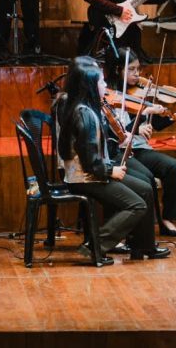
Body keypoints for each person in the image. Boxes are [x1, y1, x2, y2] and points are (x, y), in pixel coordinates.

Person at [56, 56, 168, 264]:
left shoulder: (82, 106)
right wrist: (110, 171)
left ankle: (142, 246)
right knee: (136, 205)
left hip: (90, 172)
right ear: (89, 85)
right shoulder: (85, 114)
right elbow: (90, 162)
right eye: (101, 82)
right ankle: (95, 246)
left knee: (145, 188)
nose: (106, 85)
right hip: (85, 178)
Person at [111, 53, 176, 238]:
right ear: (118, 70)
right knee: (147, 178)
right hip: (122, 151)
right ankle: (141, 228)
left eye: (138, 69)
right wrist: (141, 119)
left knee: (173, 166)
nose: (136, 74)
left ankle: (166, 219)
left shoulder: (142, 92)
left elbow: (156, 126)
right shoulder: (112, 95)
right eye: (131, 69)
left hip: (141, 149)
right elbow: (118, 129)